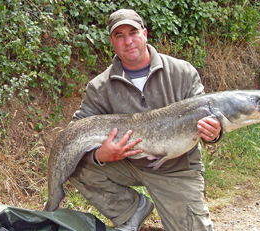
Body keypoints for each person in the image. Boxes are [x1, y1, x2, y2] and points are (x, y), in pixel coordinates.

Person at [69, 9, 221, 231]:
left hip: (176, 168)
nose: (128, 41)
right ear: (112, 41)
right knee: (71, 162)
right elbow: (74, 132)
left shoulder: (182, 72)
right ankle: (131, 211)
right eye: (119, 35)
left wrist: (214, 132)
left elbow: (209, 117)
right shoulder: (100, 87)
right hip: (127, 163)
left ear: (145, 34)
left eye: (133, 32)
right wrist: (99, 155)